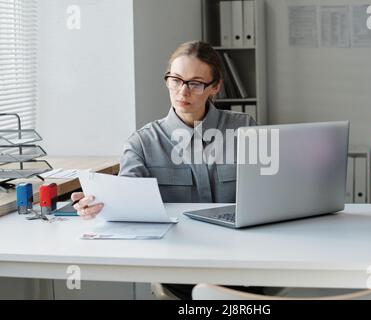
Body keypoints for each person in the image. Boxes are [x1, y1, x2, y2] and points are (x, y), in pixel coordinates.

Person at [71, 40, 263, 299]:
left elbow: (268, 194)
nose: (183, 91)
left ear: (215, 87)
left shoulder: (245, 130)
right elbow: (125, 204)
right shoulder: (142, 143)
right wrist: (98, 205)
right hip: (178, 269)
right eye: (175, 79)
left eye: (195, 83)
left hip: (241, 264)